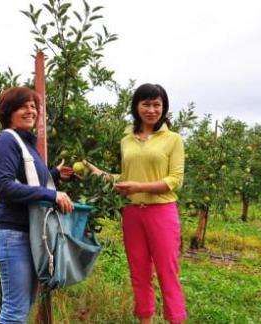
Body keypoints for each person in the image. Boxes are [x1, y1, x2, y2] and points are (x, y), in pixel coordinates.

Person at [87, 83, 187, 324]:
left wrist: (140, 187)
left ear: (163, 108)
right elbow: (124, 179)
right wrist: (96, 172)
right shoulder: (127, 139)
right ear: (136, 106)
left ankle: (176, 319)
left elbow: (175, 181)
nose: (151, 110)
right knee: (139, 272)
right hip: (132, 213)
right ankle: (145, 320)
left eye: (156, 105)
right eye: (146, 104)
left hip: (161, 212)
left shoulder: (173, 140)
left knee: (167, 272)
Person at [0, 86, 74, 324]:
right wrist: (52, 196)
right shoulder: (6, 140)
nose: (31, 111)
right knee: (14, 312)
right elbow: (3, 186)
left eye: (33, 106)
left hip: (30, 233)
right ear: (8, 111)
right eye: (23, 106)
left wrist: (55, 174)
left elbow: (28, 180)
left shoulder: (27, 144)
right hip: (13, 233)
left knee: (23, 307)